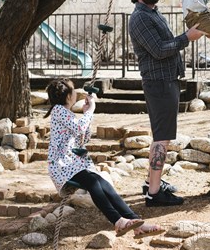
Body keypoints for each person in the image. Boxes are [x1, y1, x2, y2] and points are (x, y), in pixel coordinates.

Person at [45, 77, 164, 238]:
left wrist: (87, 113)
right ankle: (118, 221)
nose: (76, 93)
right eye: (73, 91)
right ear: (68, 96)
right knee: (94, 183)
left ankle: (136, 223)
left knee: (103, 183)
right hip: (62, 165)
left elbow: (83, 137)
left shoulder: (66, 113)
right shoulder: (58, 110)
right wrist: (91, 110)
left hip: (72, 163)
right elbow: (80, 128)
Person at [128, 0, 203, 207]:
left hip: (167, 80)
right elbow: (159, 50)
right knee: (162, 139)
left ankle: (154, 183)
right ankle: (154, 194)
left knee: (162, 136)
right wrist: (187, 38)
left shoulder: (153, 12)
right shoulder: (140, 18)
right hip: (159, 83)